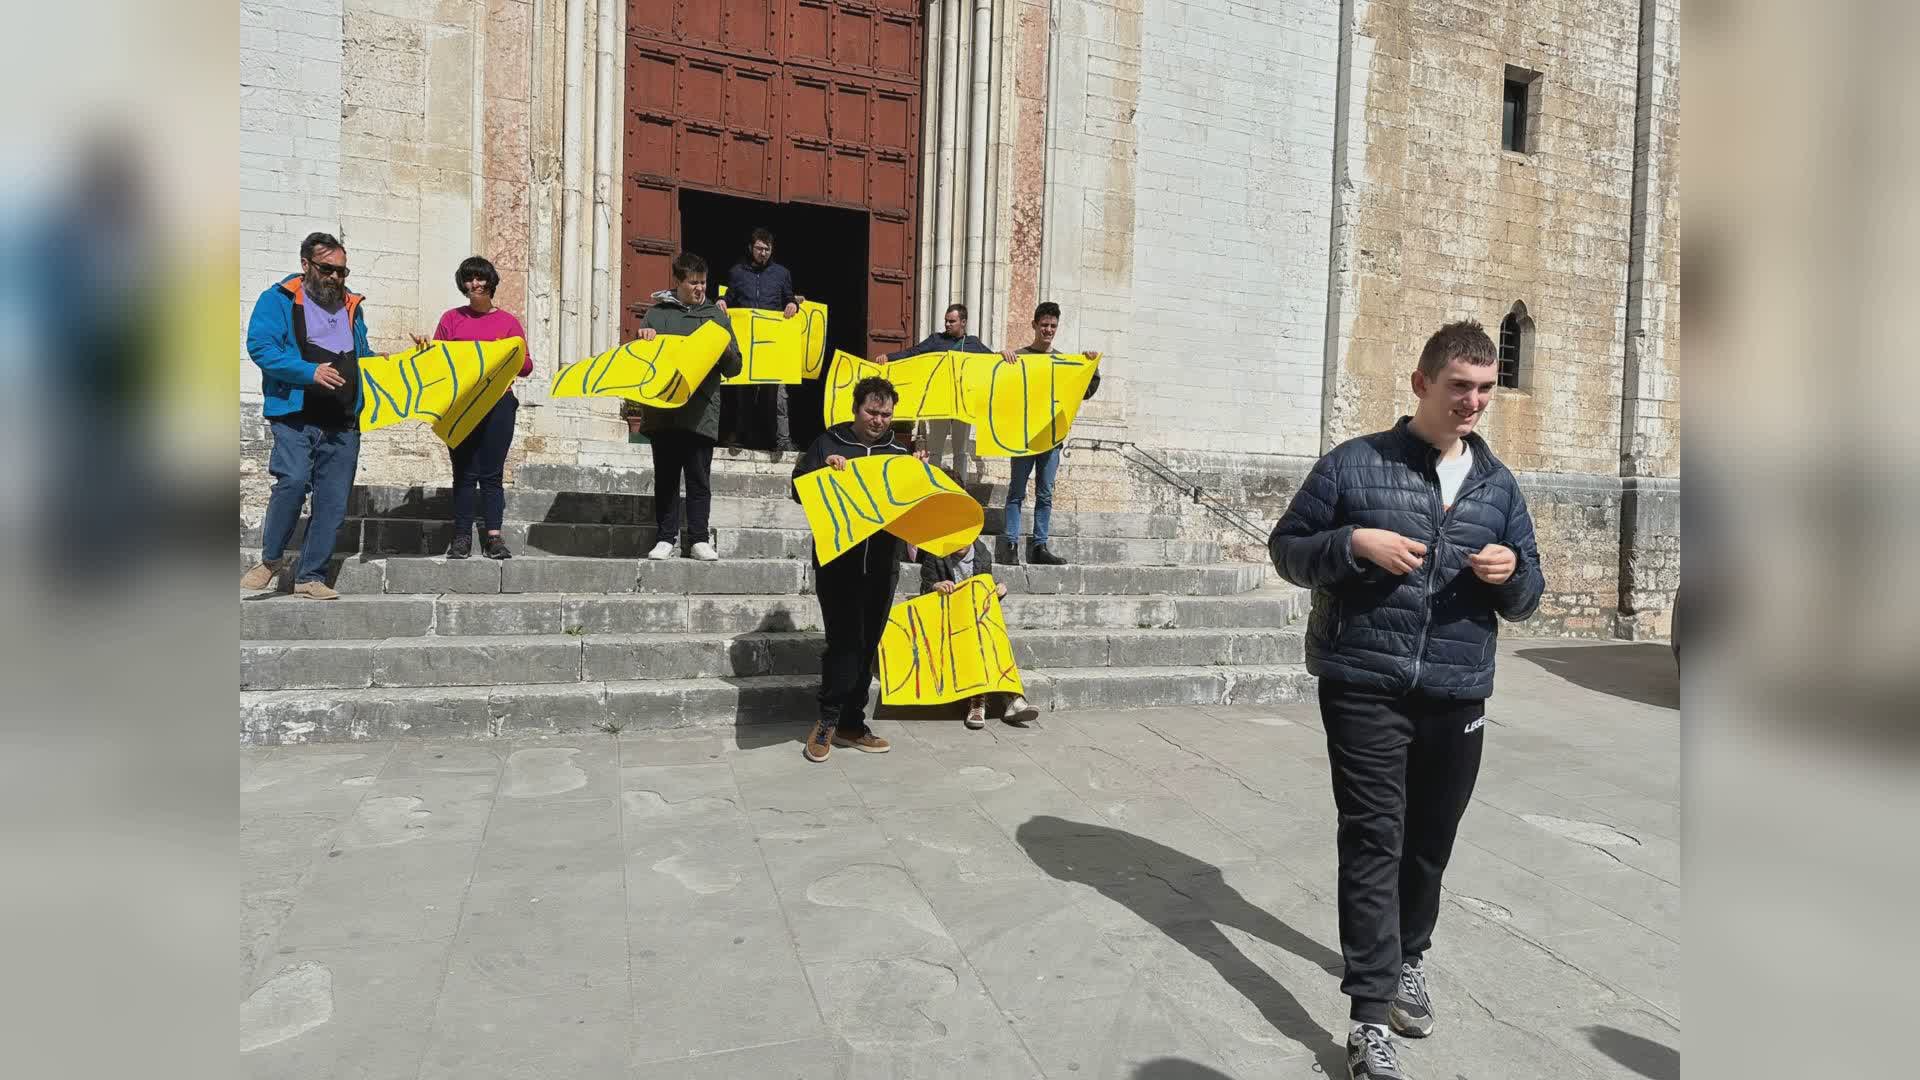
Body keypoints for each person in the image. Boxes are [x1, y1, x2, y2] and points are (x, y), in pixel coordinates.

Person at [1267, 319, 1544, 1080]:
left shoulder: (1498, 486)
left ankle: (1409, 958)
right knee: (1373, 840)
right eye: (1460, 386)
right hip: (1365, 684)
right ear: (1422, 383)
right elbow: (1288, 550)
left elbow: (1529, 597)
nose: (1474, 403)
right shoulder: (1355, 465)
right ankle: (1367, 1018)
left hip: (1457, 691)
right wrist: (1353, 543)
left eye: (1485, 389)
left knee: (1429, 843)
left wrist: (1510, 571)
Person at [790, 376, 926, 763]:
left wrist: (919, 476)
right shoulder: (828, 443)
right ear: (856, 408)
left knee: (866, 646)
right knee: (845, 644)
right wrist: (824, 472)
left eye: (886, 414)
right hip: (838, 566)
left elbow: (911, 508)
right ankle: (827, 721)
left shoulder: (898, 454)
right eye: (872, 411)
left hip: (882, 566)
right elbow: (798, 489)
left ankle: (852, 723)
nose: (879, 420)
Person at [240, 232, 374, 600]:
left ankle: (311, 576)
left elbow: (364, 356)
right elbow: (261, 347)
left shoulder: (352, 306)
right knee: (293, 481)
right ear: (306, 265)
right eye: (327, 269)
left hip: (343, 420)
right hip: (296, 413)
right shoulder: (278, 299)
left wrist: (411, 357)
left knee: (332, 500)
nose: (335, 278)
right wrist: (308, 372)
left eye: (342, 271)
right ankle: (270, 560)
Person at [415, 256, 532, 560]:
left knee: (492, 473)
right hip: (461, 405)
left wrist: (506, 353)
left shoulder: (508, 322)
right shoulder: (451, 319)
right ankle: (462, 536)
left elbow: (526, 366)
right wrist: (426, 348)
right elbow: (436, 363)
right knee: (464, 472)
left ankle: (494, 537)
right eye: (468, 279)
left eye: (480, 278)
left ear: (490, 281)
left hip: (498, 405)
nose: (474, 284)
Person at [639, 253, 743, 562]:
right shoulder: (656, 315)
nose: (699, 289)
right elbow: (641, 363)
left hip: (701, 412)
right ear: (678, 282)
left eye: (703, 283)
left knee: (699, 479)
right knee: (667, 478)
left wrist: (725, 349)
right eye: (693, 283)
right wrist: (643, 339)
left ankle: (699, 538)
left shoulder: (716, 316)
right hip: (664, 411)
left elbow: (735, 367)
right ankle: (665, 538)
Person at [1000, 301, 1103, 566]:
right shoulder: (1018, 356)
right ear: (1034, 325)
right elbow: (999, 389)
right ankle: (1010, 544)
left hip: (1051, 438)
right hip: (1023, 437)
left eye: (1053, 326)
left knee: (1045, 494)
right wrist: (1001, 361)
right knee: (1016, 492)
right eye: (1044, 325)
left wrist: (1091, 368)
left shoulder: (1062, 360)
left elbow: (1085, 392)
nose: (1048, 330)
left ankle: (1039, 546)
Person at [875, 302, 1006, 486]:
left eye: (951, 321)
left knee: (961, 450)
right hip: (938, 403)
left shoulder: (973, 343)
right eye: (946, 321)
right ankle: (933, 485)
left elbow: (992, 362)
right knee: (935, 450)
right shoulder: (936, 340)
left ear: (963, 322)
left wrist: (1003, 355)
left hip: (962, 403)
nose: (947, 325)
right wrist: (889, 358)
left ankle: (961, 487)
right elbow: (914, 353)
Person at [917, 538, 1040, 728]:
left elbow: (983, 596)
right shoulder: (935, 553)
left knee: (991, 636)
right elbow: (924, 589)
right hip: (946, 618)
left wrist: (997, 589)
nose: (962, 542)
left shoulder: (982, 554)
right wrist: (936, 587)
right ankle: (980, 702)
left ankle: (1012, 698)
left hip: (975, 617)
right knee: (976, 640)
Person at [717, 227, 799, 451]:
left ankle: (782, 441)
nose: (763, 253)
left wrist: (793, 304)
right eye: (759, 248)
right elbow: (729, 297)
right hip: (746, 344)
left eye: (767, 249)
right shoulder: (736, 273)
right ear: (751, 248)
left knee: (778, 395)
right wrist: (722, 301)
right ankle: (738, 438)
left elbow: (789, 298)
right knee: (742, 393)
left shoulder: (782, 273)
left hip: (772, 344)